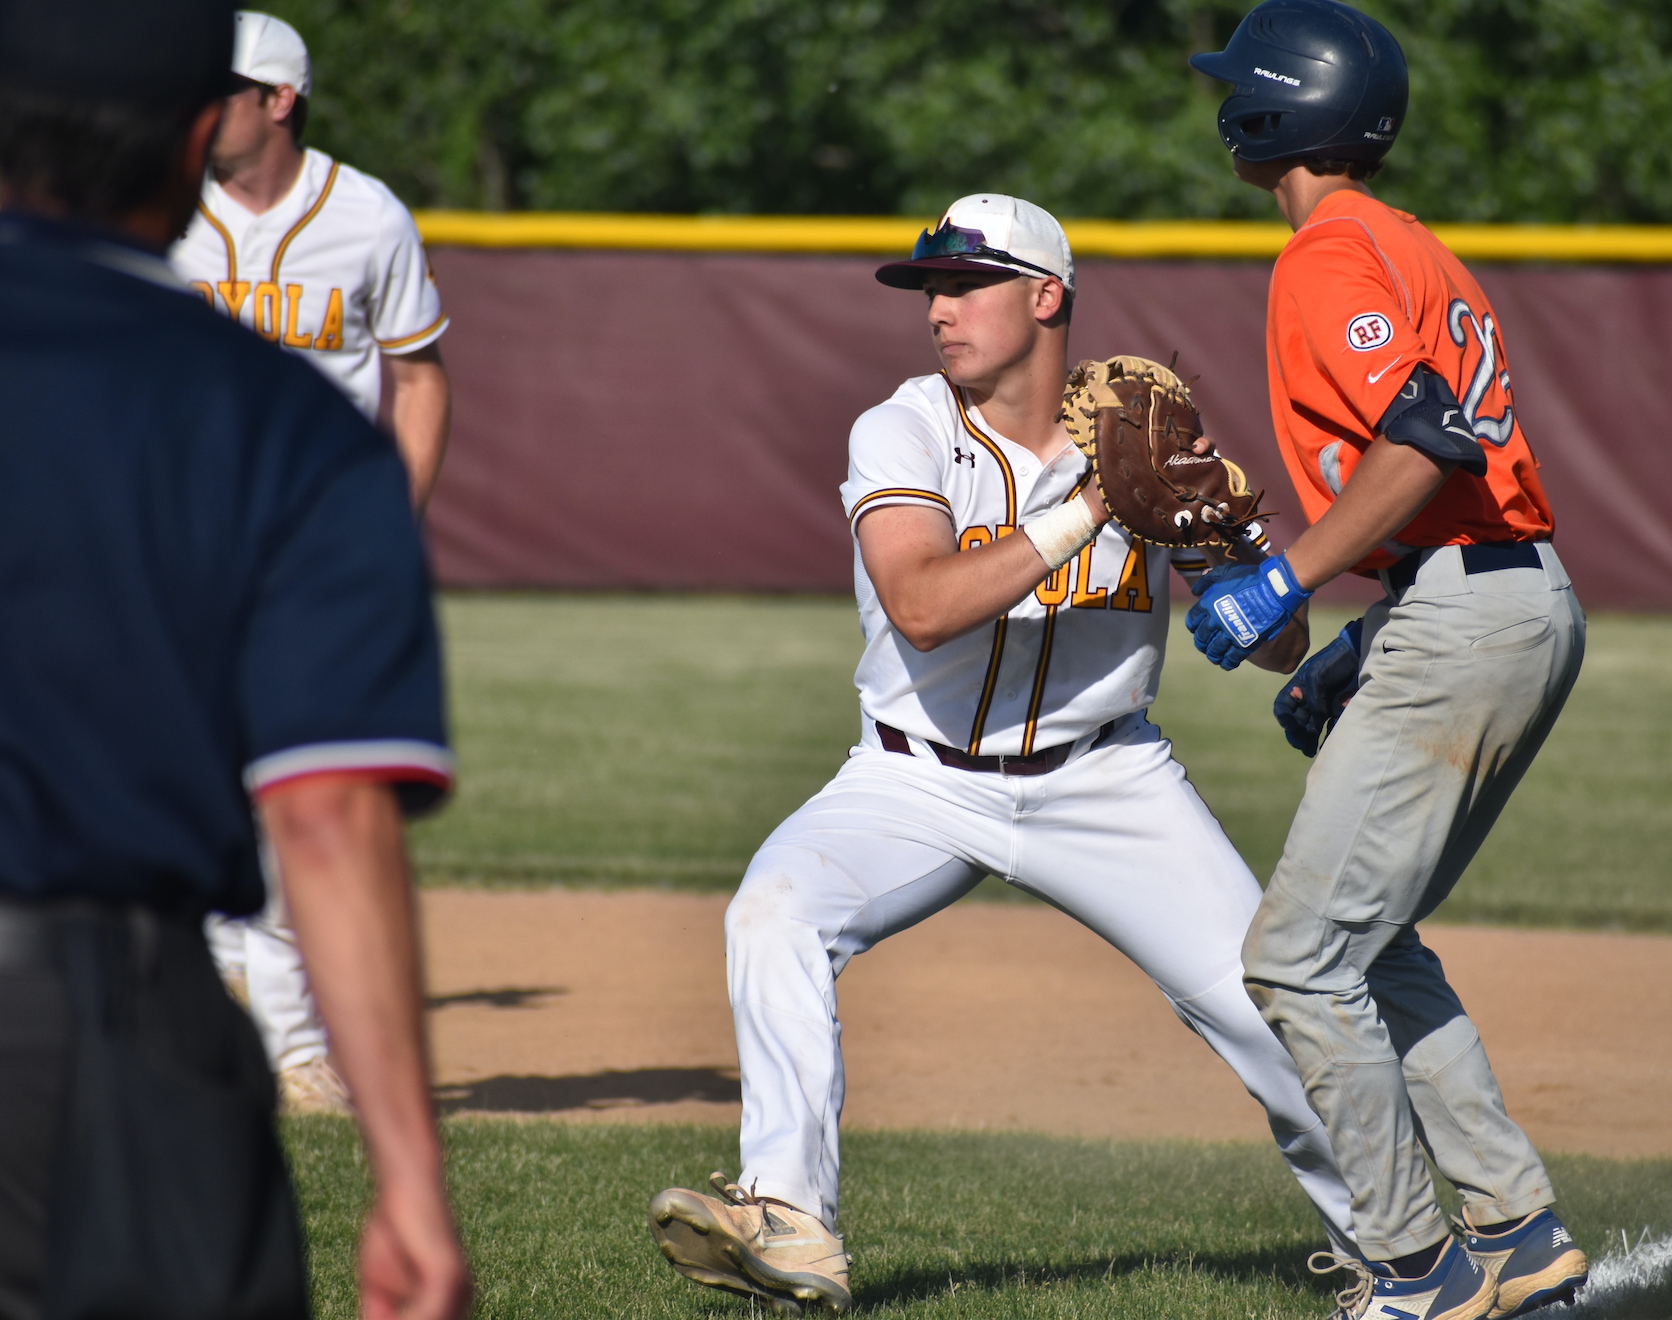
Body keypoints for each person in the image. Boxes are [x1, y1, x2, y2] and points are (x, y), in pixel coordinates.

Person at [646, 194, 1357, 1313]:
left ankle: (1400, 1255)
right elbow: (923, 607)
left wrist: (1225, 547)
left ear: (1047, 295)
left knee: (1266, 1005)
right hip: (911, 776)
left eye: (968, 283)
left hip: (1108, 777)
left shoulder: (1148, 440)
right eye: (930, 287)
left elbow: (1282, 648)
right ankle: (790, 1220)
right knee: (775, 910)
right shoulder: (905, 426)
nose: (940, 310)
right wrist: (1086, 514)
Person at [0, 0, 470, 1316]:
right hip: (105, 1033)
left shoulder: (360, 237)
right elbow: (326, 817)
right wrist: (409, 1183)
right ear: (194, 132)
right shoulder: (282, 431)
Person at [1185, 4, 1591, 1318]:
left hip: (1469, 610)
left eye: (1240, 86)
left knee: (1296, 960)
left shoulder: (1330, 252)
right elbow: (1444, 472)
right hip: (1495, 599)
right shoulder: (1406, 242)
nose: (1223, 103)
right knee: (1370, 940)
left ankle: (1415, 1274)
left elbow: (1424, 445)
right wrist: (1368, 632)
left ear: (1280, 112)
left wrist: (1284, 583)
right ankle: (1518, 1236)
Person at [169, 9, 454, 1114]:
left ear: (278, 99)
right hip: (169, 547)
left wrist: (389, 525)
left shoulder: (367, 216)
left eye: (224, 88)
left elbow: (420, 377)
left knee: (299, 796)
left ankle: (292, 1047)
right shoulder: (159, 201)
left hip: (304, 556)